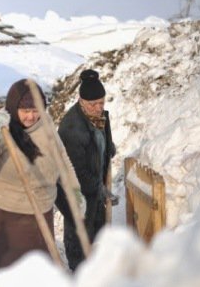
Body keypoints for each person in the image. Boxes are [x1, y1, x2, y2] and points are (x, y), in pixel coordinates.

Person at [0, 79, 82, 284]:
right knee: (2, 278)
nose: (31, 116)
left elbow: (61, 158)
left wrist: (74, 190)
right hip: (1, 216)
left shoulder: (44, 122)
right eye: (25, 110)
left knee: (36, 279)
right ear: (13, 106)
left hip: (40, 214)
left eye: (35, 110)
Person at [56, 69, 116, 271]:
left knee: (98, 236)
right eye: (93, 104)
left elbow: (103, 138)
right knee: (80, 236)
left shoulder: (99, 116)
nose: (99, 108)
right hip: (77, 193)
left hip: (95, 188)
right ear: (81, 101)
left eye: (102, 102)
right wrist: (100, 189)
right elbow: (77, 171)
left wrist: (109, 148)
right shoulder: (71, 128)